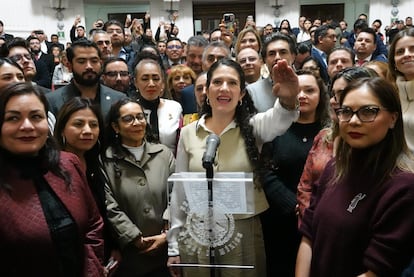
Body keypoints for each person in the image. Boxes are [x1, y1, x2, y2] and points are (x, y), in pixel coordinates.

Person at [167, 58, 300, 277]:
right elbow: (181, 191)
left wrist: (287, 99)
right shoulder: (189, 133)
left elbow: (279, 119)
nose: (224, 88)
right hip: (198, 230)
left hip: (242, 231)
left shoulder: (253, 127)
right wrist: (173, 244)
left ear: (242, 95)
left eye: (232, 83)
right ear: (206, 91)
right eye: (217, 82)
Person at [296, 77, 414, 277]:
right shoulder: (333, 169)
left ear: (393, 118)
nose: (354, 121)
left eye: (368, 111)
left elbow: (378, 269)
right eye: (346, 112)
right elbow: (308, 236)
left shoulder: (403, 187)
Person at [0, 82, 104, 276]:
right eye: (13, 118)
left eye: (36, 117)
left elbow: (93, 225)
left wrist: (92, 270)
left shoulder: (67, 164)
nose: (27, 126)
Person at [260, 69, 330, 277]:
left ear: (321, 95)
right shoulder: (275, 128)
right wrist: (295, 205)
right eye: (297, 90)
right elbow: (263, 170)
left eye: (310, 90)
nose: (302, 95)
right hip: (281, 219)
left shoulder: (332, 131)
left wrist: (313, 208)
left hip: (322, 220)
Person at [296, 67, 378, 225]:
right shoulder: (323, 137)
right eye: (333, 94)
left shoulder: (372, 143)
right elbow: (305, 186)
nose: (334, 101)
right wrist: (311, 222)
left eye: (342, 94)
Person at [103, 98, 175, 276]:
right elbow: (109, 204)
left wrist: (167, 233)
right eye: (128, 119)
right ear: (115, 127)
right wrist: (134, 237)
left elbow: (178, 194)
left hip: (168, 250)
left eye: (140, 117)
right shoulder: (106, 160)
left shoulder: (163, 154)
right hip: (129, 253)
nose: (137, 123)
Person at [53, 97, 120, 271]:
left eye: (93, 124)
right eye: (78, 124)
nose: (87, 130)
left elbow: (104, 214)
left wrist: (114, 248)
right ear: (62, 129)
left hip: (103, 257)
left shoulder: (97, 164)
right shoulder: (52, 169)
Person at [46, 39, 126, 119]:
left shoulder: (118, 99)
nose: (89, 66)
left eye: (94, 61)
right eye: (81, 62)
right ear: (69, 66)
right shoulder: (52, 101)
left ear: (101, 64)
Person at [134, 52, 182, 153]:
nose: (151, 84)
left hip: (171, 165)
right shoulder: (130, 109)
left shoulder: (174, 107)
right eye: (145, 79)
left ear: (163, 82)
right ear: (136, 83)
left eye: (156, 79)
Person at [388, 27, 414, 152]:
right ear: (393, 61)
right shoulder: (389, 93)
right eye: (400, 52)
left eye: (413, 49)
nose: (407, 55)